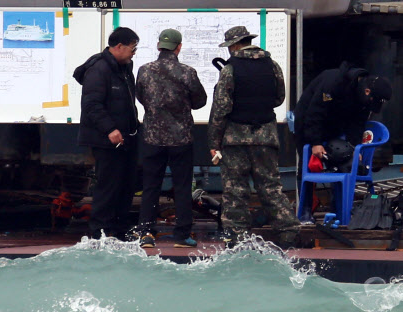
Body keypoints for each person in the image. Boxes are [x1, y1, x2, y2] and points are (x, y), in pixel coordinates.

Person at [207, 26, 300, 248]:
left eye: (230, 46)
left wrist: (213, 142)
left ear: (236, 45)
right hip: (266, 136)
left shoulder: (230, 69)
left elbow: (221, 108)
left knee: (235, 190)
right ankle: (288, 232)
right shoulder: (272, 65)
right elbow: (279, 98)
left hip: (236, 139)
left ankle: (237, 237)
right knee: (270, 186)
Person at [134, 28, 207, 248]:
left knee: (151, 186)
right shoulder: (187, 72)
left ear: (159, 47)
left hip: (152, 138)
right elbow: (200, 101)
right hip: (181, 139)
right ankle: (182, 235)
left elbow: (140, 97)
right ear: (178, 47)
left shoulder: (144, 71)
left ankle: (146, 233)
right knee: (182, 186)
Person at [293, 61, 392, 219]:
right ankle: (306, 209)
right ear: (367, 91)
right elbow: (315, 113)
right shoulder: (333, 84)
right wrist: (316, 142)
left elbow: (357, 124)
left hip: (335, 125)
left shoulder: (363, 99)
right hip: (308, 121)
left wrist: (355, 147)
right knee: (308, 165)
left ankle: (338, 211)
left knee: (342, 161)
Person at [73, 27, 140, 240]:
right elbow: (92, 104)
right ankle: (100, 231)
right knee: (108, 185)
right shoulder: (99, 69)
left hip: (127, 137)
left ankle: (119, 229)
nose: (134, 53)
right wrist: (110, 129)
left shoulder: (124, 67)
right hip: (106, 139)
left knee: (126, 184)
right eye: (132, 48)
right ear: (118, 47)